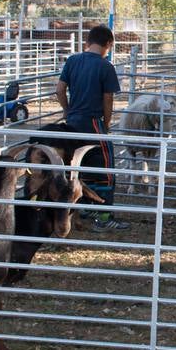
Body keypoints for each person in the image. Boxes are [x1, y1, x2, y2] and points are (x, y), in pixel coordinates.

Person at [56, 24, 127, 231]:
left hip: (72, 124)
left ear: (87, 42)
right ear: (109, 44)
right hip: (93, 123)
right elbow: (108, 98)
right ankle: (103, 218)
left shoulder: (72, 60)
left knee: (77, 168)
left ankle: (81, 210)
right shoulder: (106, 66)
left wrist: (68, 111)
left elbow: (59, 89)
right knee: (105, 170)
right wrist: (105, 123)